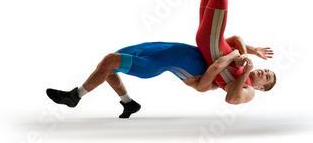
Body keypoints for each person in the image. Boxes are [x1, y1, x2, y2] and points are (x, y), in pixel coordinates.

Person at [46, 42, 245, 118]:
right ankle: (129, 103)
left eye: (267, 78)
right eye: (267, 72)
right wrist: (247, 51)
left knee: (108, 61)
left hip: (153, 63)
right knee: (107, 67)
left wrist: (235, 54)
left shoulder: (209, 84)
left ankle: (75, 96)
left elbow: (216, 68)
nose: (264, 73)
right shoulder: (231, 63)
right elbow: (234, 38)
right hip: (153, 48)